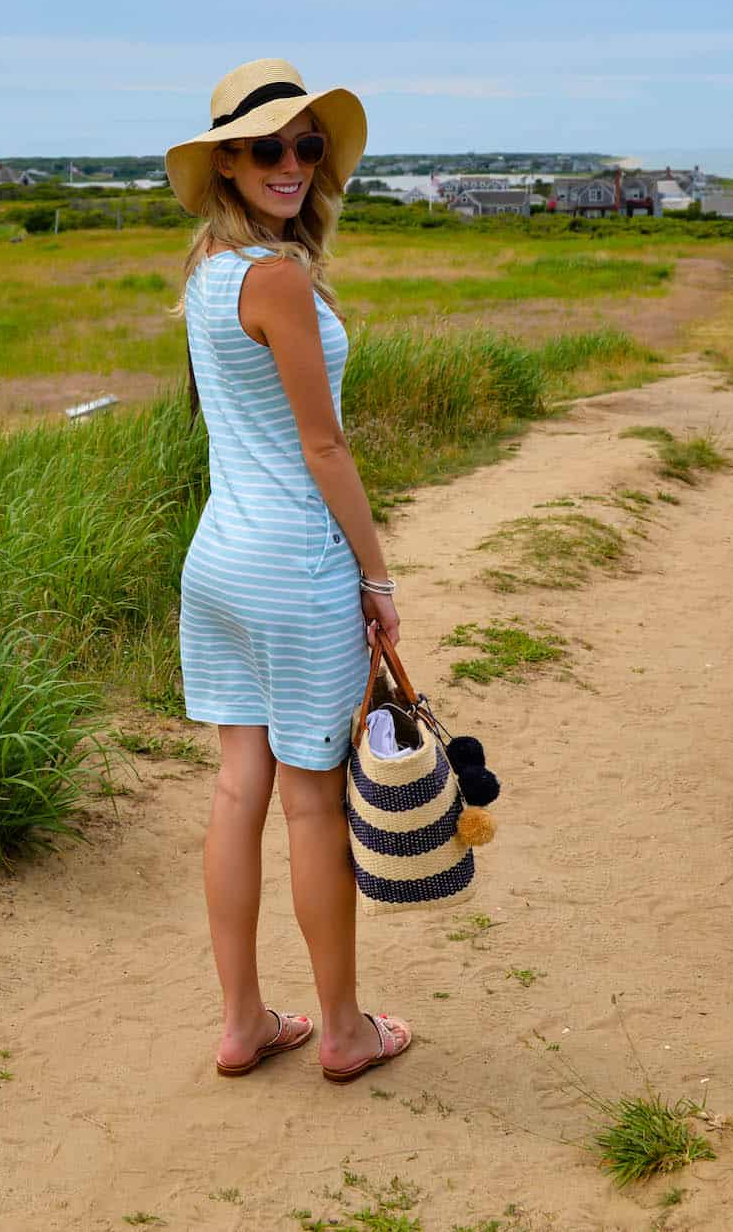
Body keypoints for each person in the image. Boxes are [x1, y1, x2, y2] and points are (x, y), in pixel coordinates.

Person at [165, 59, 410, 1086]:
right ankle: (344, 1031)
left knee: (236, 789)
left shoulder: (211, 273)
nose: (293, 164)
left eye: (307, 145)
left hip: (218, 560)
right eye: (269, 146)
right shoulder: (278, 277)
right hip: (291, 565)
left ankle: (241, 1022)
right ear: (227, 159)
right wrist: (380, 578)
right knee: (311, 803)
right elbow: (326, 447)